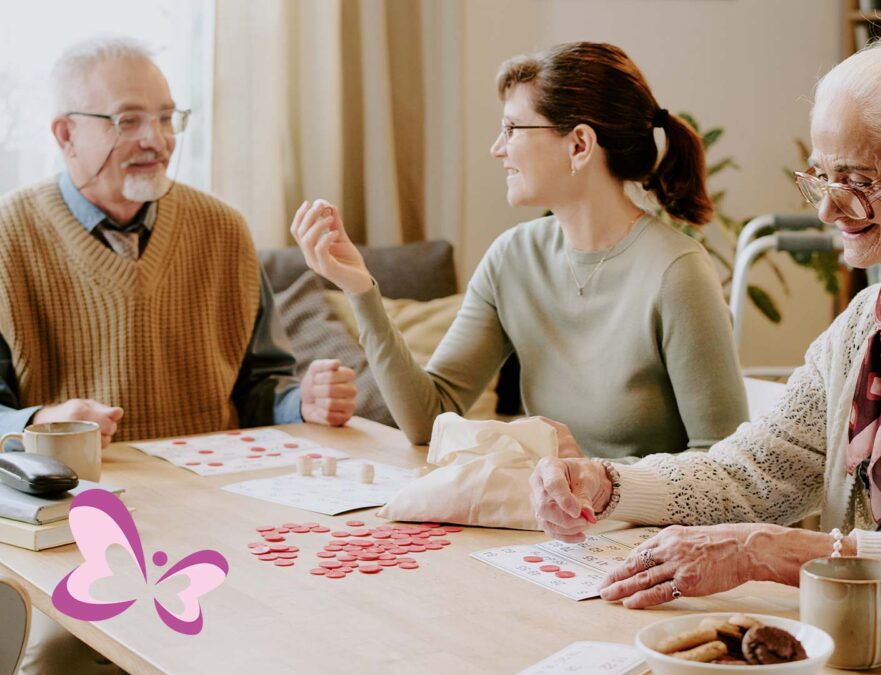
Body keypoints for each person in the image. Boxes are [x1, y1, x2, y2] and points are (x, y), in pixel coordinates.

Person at [530, 12, 881, 649]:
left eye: (860, 181)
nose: (826, 207)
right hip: (879, 642)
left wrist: (762, 551)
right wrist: (609, 483)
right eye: (822, 174)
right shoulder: (870, 323)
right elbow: (756, 472)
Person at [0, 37, 358, 674]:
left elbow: (259, 383)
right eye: (128, 120)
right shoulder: (8, 238)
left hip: (221, 524)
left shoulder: (222, 229)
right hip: (80, 538)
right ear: (64, 134)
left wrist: (297, 401)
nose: (157, 140)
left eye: (167, 118)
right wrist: (42, 423)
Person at [292, 41, 748, 460]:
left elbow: (722, 467)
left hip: (647, 539)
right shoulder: (513, 257)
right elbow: (427, 419)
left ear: (579, 144)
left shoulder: (677, 272)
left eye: (512, 128)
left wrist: (602, 481)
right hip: (552, 531)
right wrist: (360, 288)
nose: (497, 149)